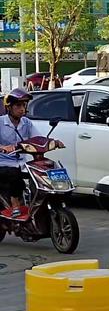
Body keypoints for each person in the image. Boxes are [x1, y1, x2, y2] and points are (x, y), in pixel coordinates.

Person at [0, 88, 60, 218]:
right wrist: (3, 147)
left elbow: (38, 138)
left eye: (23, 105)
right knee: (14, 174)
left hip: (22, 163)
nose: (22, 108)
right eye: (18, 105)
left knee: (44, 170)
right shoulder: (1, 122)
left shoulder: (26, 122)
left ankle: (38, 203)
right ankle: (15, 205)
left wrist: (53, 142)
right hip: (3, 163)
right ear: (9, 107)